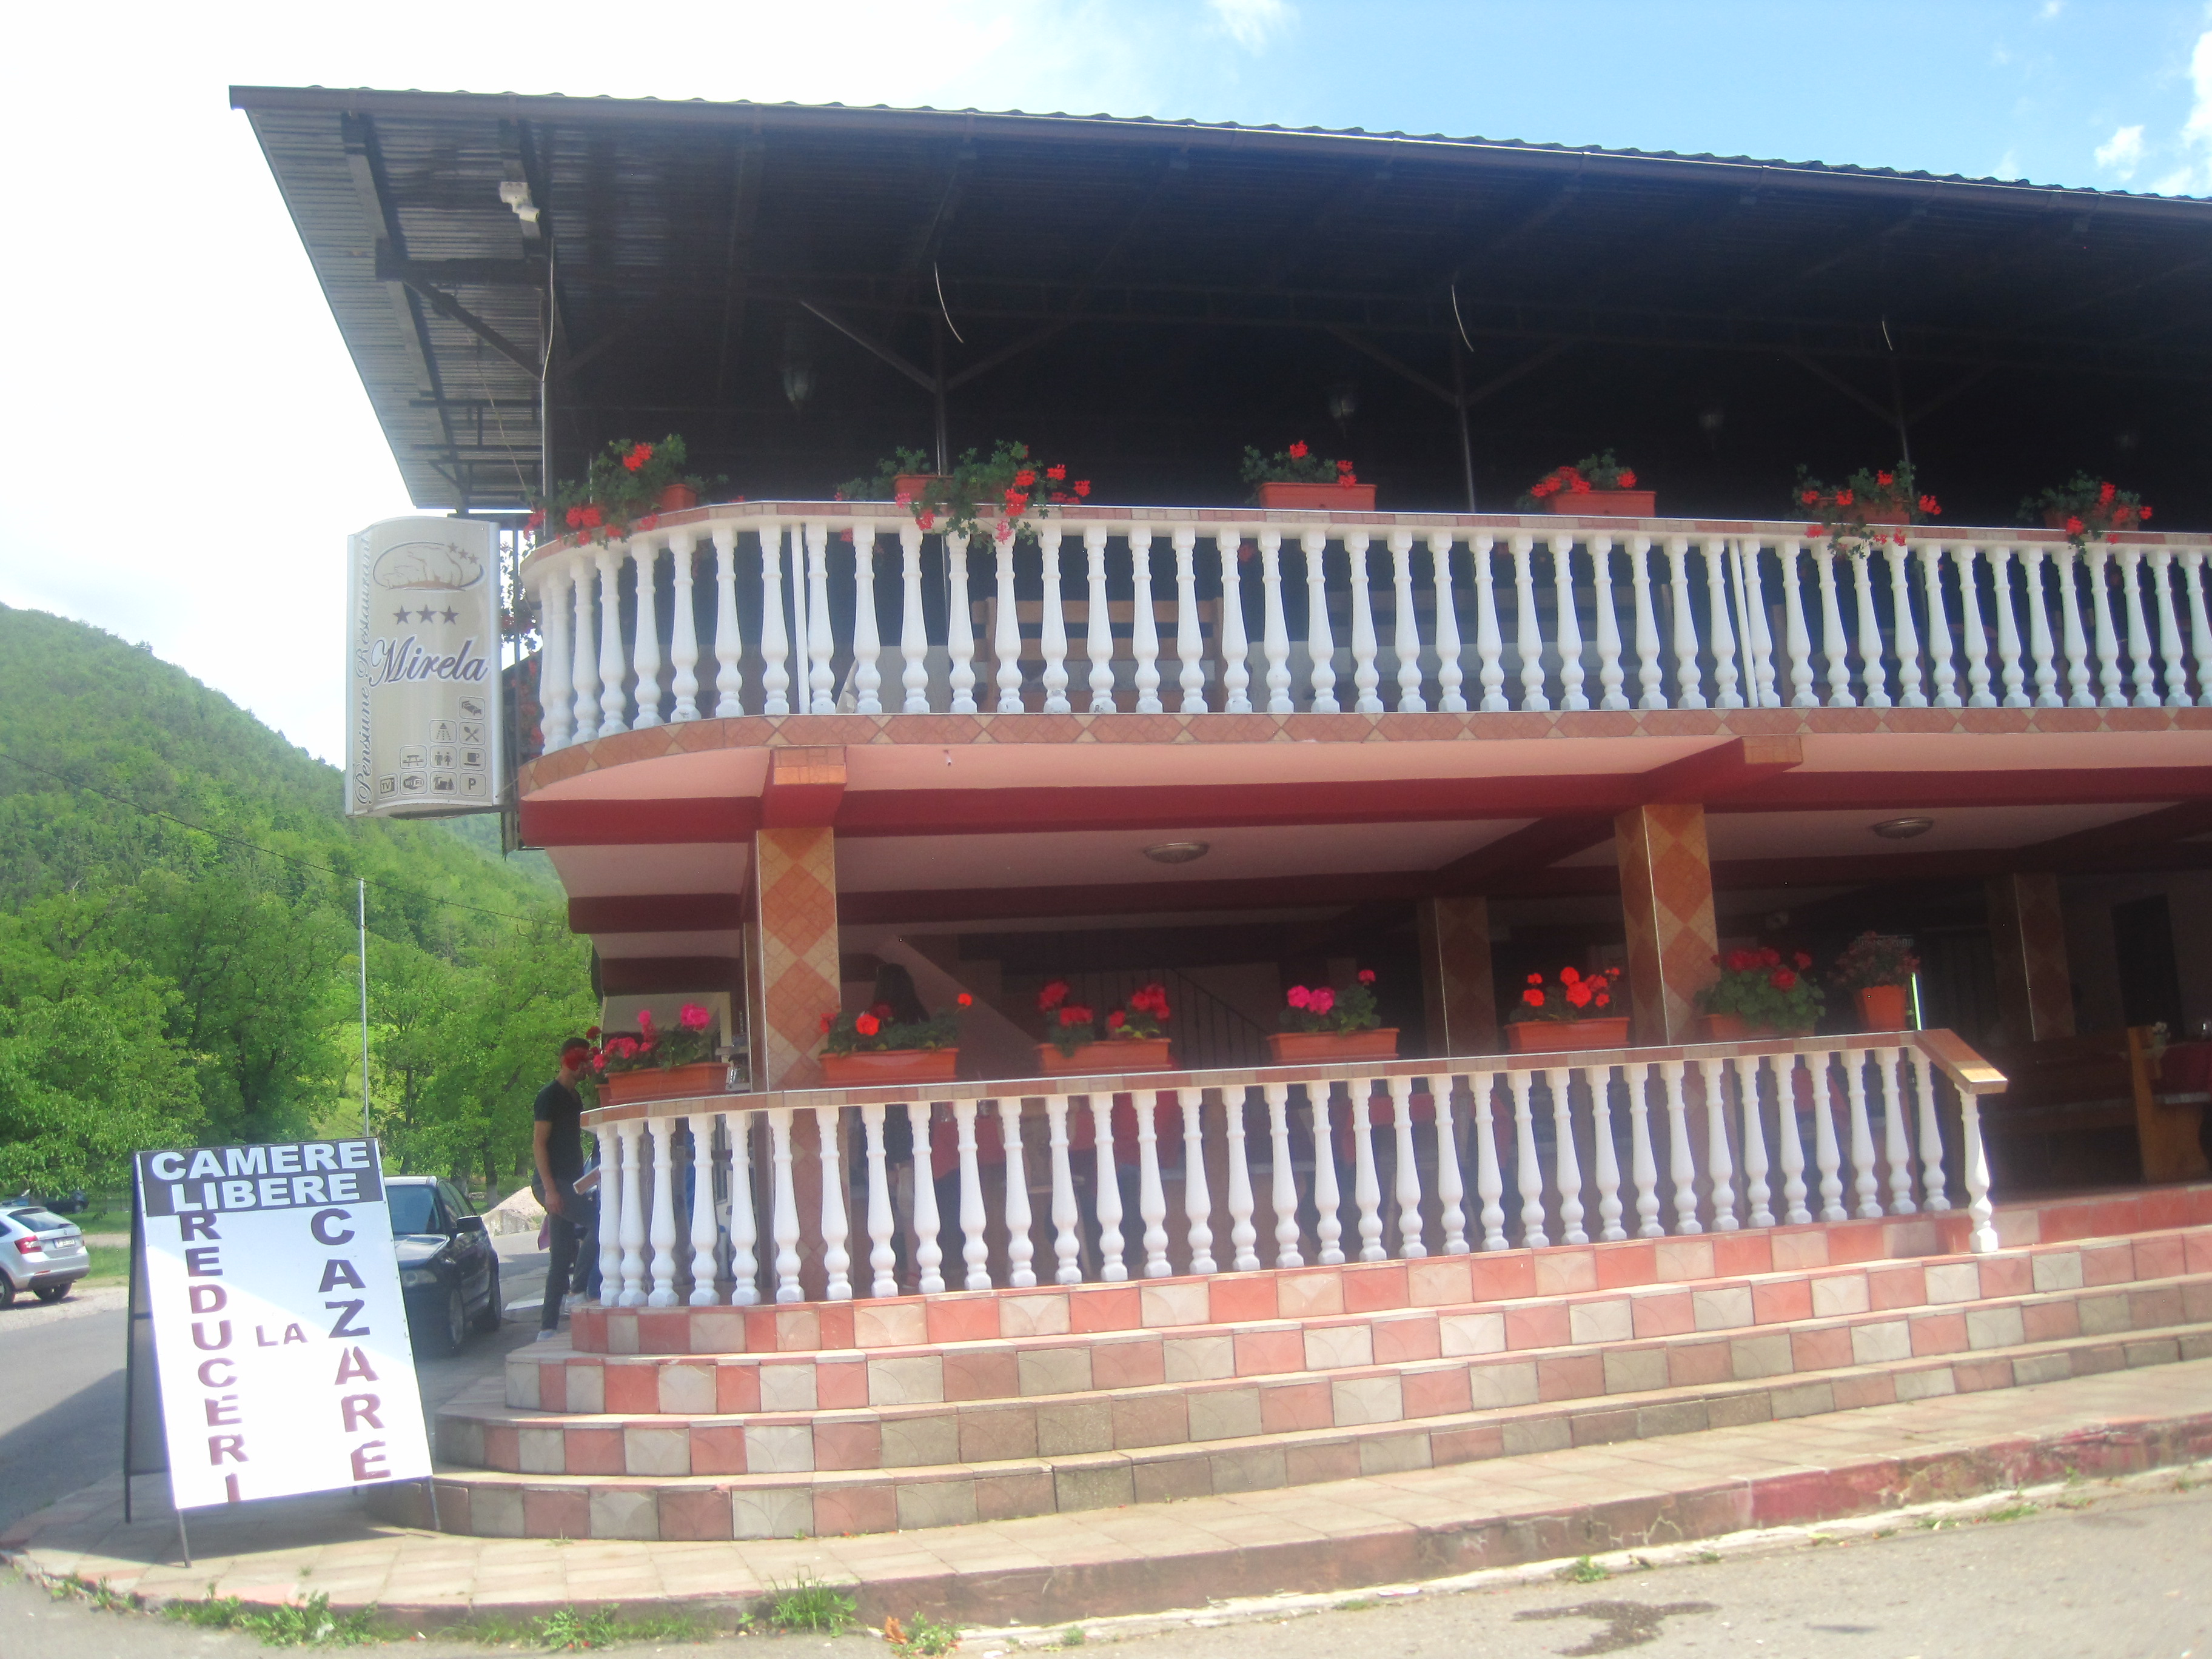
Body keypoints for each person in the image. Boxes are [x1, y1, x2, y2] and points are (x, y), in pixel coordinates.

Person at [534, 1037, 593, 1341]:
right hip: (552, 1183)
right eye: (579, 1060)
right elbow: (539, 1144)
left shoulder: (574, 1098)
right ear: (565, 1061)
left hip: (569, 1183)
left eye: (588, 1061)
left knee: (561, 1255)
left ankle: (547, 1328)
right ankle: (577, 1290)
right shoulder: (549, 1096)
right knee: (600, 1222)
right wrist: (550, 1191)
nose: (584, 1067)